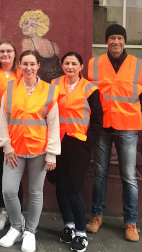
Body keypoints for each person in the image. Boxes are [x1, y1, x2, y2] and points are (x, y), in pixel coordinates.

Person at [86, 24, 142, 242]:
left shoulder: (139, 65)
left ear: (124, 41)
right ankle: (96, 216)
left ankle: (131, 222)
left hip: (128, 127)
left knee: (129, 177)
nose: (116, 42)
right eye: (112, 37)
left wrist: (129, 115)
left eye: (119, 38)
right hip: (102, 127)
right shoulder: (94, 64)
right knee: (100, 173)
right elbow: (91, 95)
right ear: (106, 41)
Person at [0, 50, 60, 252]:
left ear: (38, 65)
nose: (28, 68)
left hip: (39, 150)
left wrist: (51, 153)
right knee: (8, 190)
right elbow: (3, 119)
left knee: (35, 192)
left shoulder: (49, 91)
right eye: (25, 64)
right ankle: (17, 227)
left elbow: (53, 124)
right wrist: (6, 146)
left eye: (32, 64)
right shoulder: (11, 87)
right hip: (14, 150)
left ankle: (30, 232)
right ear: (19, 65)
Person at [48, 52, 103, 252]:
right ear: (62, 65)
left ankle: (81, 233)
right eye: (66, 63)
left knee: (73, 188)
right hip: (57, 142)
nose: (70, 67)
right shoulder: (53, 84)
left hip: (78, 144)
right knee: (60, 186)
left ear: (81, 67)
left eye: (74, 64)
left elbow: (97, 120)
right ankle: (68, 226)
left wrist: (88, 143)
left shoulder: (89, 89)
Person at [0, 39, 23, 231]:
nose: (5, 54)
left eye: (9, 51)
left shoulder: (22, 73)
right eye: (2, 51)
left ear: (15, 53)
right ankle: (3, 210)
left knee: (15, 172)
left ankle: (18, 213)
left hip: (16, 131)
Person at [20, 10, 63, 82]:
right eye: (26, 23)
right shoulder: (52, 44)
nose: (27, 27)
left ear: (39, 28)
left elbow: (27, 66)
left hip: (43, 84)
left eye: (32, 25)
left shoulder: (27, 42)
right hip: (60, 81)